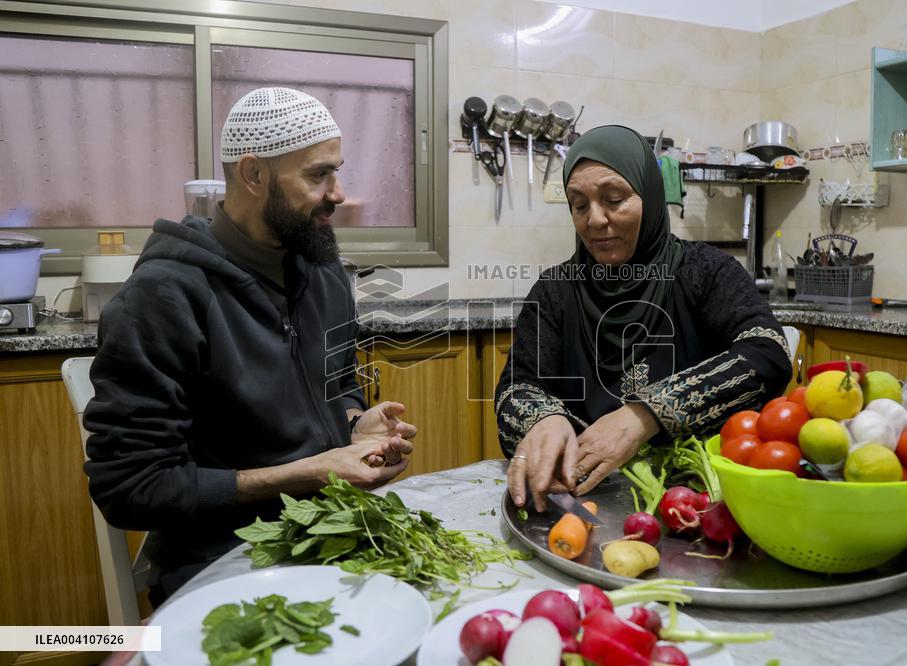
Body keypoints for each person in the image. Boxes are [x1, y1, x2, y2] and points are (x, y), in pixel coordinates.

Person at [83, 87, 415, 605]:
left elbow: (339, 384)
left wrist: (353, 423)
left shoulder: (322, 272)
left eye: (337, 171)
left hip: (333, 532)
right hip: (222, 559)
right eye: (318, 174)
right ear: (254, 175)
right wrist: (309, 471)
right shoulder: (162, 298)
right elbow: (129, 488)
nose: (339, 192)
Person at [496, 125, 791, 511]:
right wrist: (543, 420)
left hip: (696, 500)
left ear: (650, 197)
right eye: (579, 205)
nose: (595, 220)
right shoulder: (555, 291)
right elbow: (516, 388)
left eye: (614, 199)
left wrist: (646, 415)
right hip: (581, 497)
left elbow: (767, 353)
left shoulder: (706, 272)